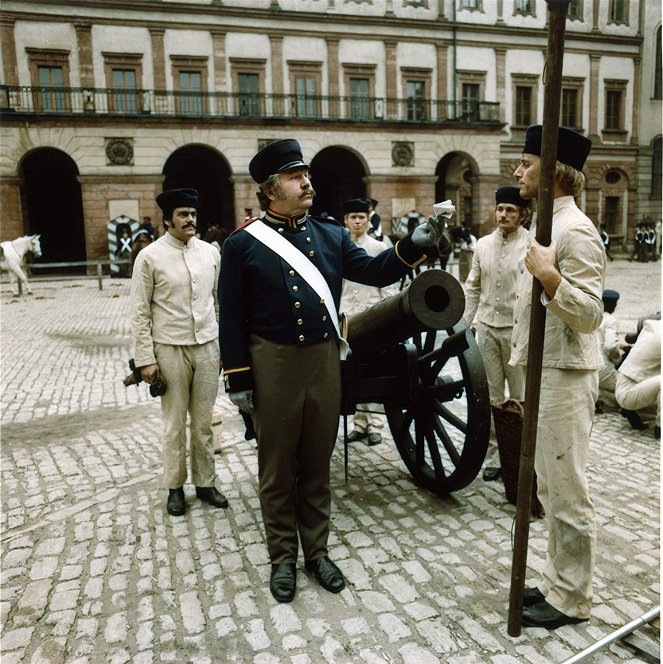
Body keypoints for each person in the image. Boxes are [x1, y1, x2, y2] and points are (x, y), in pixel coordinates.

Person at [218, 139, 444, 603]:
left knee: (316, 462)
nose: (306, 183)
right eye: (294, 177)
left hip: (324, 360)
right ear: (269, 189)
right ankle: (282, 557)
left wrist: (413, 247)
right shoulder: (241, 245)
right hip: (272, 363)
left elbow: (378, 271)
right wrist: (239, 377)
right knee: (278, 467)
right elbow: (232, 318)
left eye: (306, 174)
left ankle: (316, 551)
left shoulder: (330, 234)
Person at [510, 125, 606, 629]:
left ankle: (572, 599)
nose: (517, 172)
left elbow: (591, 313)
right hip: (544, 369)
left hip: (567, 374)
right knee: (548, 487)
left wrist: (550, 277)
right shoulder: (546, 225)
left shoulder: (577, 231)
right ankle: (555, 582)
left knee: (567, 489)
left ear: (553, 174)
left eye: (525, 164)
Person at [131, 188, 228, 517]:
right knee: (174, 425)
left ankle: (206, 483)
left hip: (207, 349)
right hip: (170, 350)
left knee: (203, 423)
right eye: (183, 214)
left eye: (193, 214)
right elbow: (140, 312)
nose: (190, 220)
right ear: (167, 219)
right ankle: (174, 487)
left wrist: (225, 347)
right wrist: (146, 360)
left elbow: (219, 303)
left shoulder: (210, 254)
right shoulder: (150, 257)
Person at [463, 186, 530, 481]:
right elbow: (473, 286)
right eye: (500, 209)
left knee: (518, 397)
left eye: (510, 210)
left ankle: (517, 458)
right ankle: (495, 455)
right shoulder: (482, 245)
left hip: (517, 333)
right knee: (491, 396)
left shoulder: (532, 245)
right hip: (487, 329)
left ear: (523, 215)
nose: (503, 215)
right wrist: (464, 325)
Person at [340, 197, 394, 446]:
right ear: (346, 221)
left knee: (373, 369)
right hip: (348, 317)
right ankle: (359, 424)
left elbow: (389, 284)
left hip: (372, 314)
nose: (357, 221)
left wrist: (387, 315)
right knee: (353, 370)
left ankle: (375, 425)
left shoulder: (379, 247)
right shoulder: (340, 248)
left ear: (368, 220)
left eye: (361, 217)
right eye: (353, 217)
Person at [615, 318, 661, 439]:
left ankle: (639, 413)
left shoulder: (656, 328)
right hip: (629, 391)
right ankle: (660, 428)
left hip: (629, 385)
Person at [595, 290, 627, 414]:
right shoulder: (610, 320)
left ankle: (598, 398)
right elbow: (610, 346)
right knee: (624, 388)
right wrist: (618, 359)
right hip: (603, 367)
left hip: (589, 364)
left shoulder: (594, 316)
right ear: (612, 305)